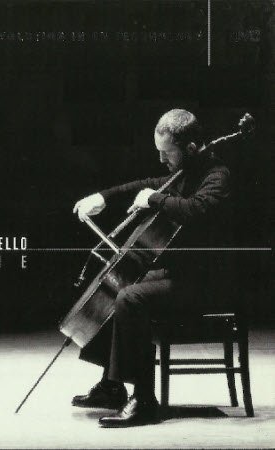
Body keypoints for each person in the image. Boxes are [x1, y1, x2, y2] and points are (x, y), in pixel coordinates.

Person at [72, 109, 232, 427]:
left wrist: (155, 200)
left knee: (131, 298)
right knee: (120, 282)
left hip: (207, 285)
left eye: (166, 153)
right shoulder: (184, 173)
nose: (161, 160)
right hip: (181, 277)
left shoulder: (217, 176)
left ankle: (144, 400)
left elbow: (196, 209)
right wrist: (102, 197)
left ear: (190, 148)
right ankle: (112, 386)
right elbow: (145, 185)